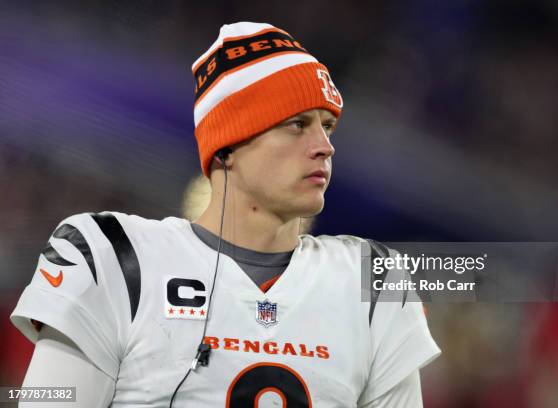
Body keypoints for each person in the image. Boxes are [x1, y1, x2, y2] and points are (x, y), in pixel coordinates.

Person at [11, 22, 440, 407]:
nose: (324, 146)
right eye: (297, 124)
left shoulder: (375, 281)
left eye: (326, 126)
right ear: (229, 144)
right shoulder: (115, 258)